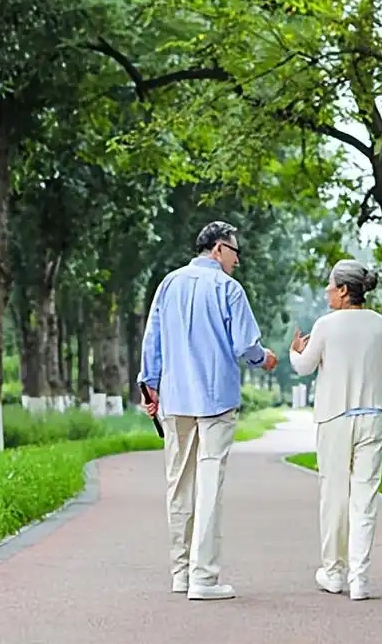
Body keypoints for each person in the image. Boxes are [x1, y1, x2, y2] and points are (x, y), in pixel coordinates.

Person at [138, 220, 278, 601]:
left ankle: (180, 573)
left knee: (178, 485)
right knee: (208, 484)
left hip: (175, 397)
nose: (237, 261)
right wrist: (264, 359)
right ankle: (204, 578)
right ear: (218, 249)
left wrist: (148, 384)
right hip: (215, 400)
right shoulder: (228, 289)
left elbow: (152, 339)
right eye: (235, 252)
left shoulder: (169, 283)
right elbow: (245, 345)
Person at [289, 259, 382, 601]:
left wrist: (296, 352)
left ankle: (334, 574)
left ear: (343, 290)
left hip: (335, 418)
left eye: (329, 286)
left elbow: (305, 367)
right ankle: (360, 579)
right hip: (373, 416)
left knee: (334, 496)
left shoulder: (326, 325)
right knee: (365, 498)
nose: (326, 291)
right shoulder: (381, 325)